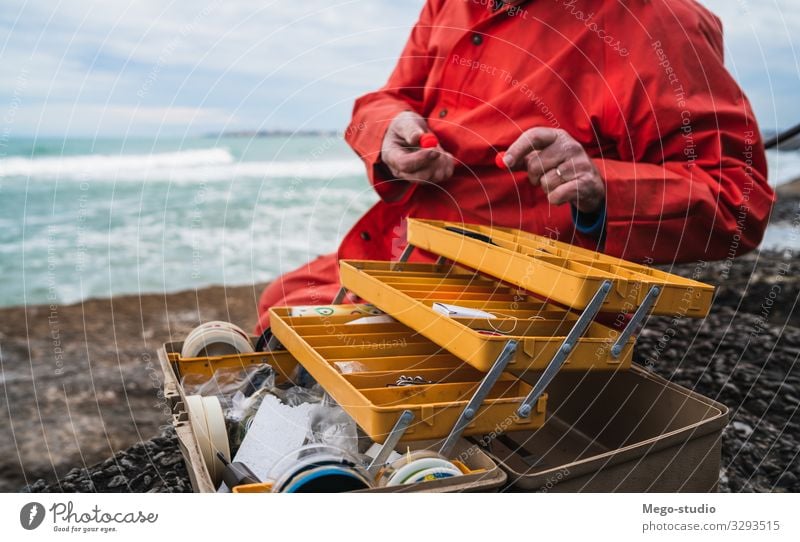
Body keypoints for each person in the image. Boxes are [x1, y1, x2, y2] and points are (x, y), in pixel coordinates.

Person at [256, 0, 774, 334]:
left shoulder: (654, 21)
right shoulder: (449, 3)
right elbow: (390, 98)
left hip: (530, 302)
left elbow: (737, 201)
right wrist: (389, 135)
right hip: (412, 256)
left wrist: (600, 185)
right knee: (284, 302)